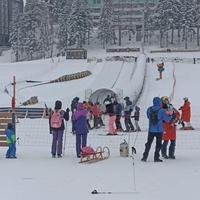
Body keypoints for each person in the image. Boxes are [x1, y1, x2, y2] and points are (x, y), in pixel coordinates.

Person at [141, 97, 172, 162]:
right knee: (158, 144)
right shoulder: (162, 110)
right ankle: (156, 158)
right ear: (160, 102)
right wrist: (170, 115)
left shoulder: (149, 109)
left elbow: (148, 117)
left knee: (148, 143)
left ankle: (144, 157)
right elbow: (167, 120)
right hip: (159, 130)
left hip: (151, 130)